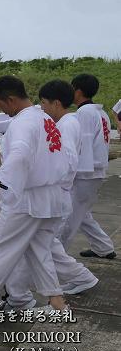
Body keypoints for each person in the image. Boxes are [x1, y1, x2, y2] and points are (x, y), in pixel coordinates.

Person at [0, 76, 71, 324]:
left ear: (11, 100)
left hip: (29, 198)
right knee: (39, 250)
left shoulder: (23, 123)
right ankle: (57, 303)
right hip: (51, 196)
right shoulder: (43, 118)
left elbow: (21, 154)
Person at [3, 81, 100, 311]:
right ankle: (77, 279)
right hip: (55, 195)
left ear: (56, 103)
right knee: (43, 248)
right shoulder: (68, 122)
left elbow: (62, 165)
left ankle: (20, 297)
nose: (42, 108)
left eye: (44, 103)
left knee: (37, 249)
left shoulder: (65, 125)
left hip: (53, 196)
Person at [65, 74, 116, 259]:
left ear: (77, 91)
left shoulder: (84, 113)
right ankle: (103, 246)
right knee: (82, 213)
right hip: (95, 170)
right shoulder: (99, 112)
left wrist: (73, 173)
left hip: (86, 172)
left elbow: (83, 145)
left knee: (69, 219)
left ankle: (56, 256)